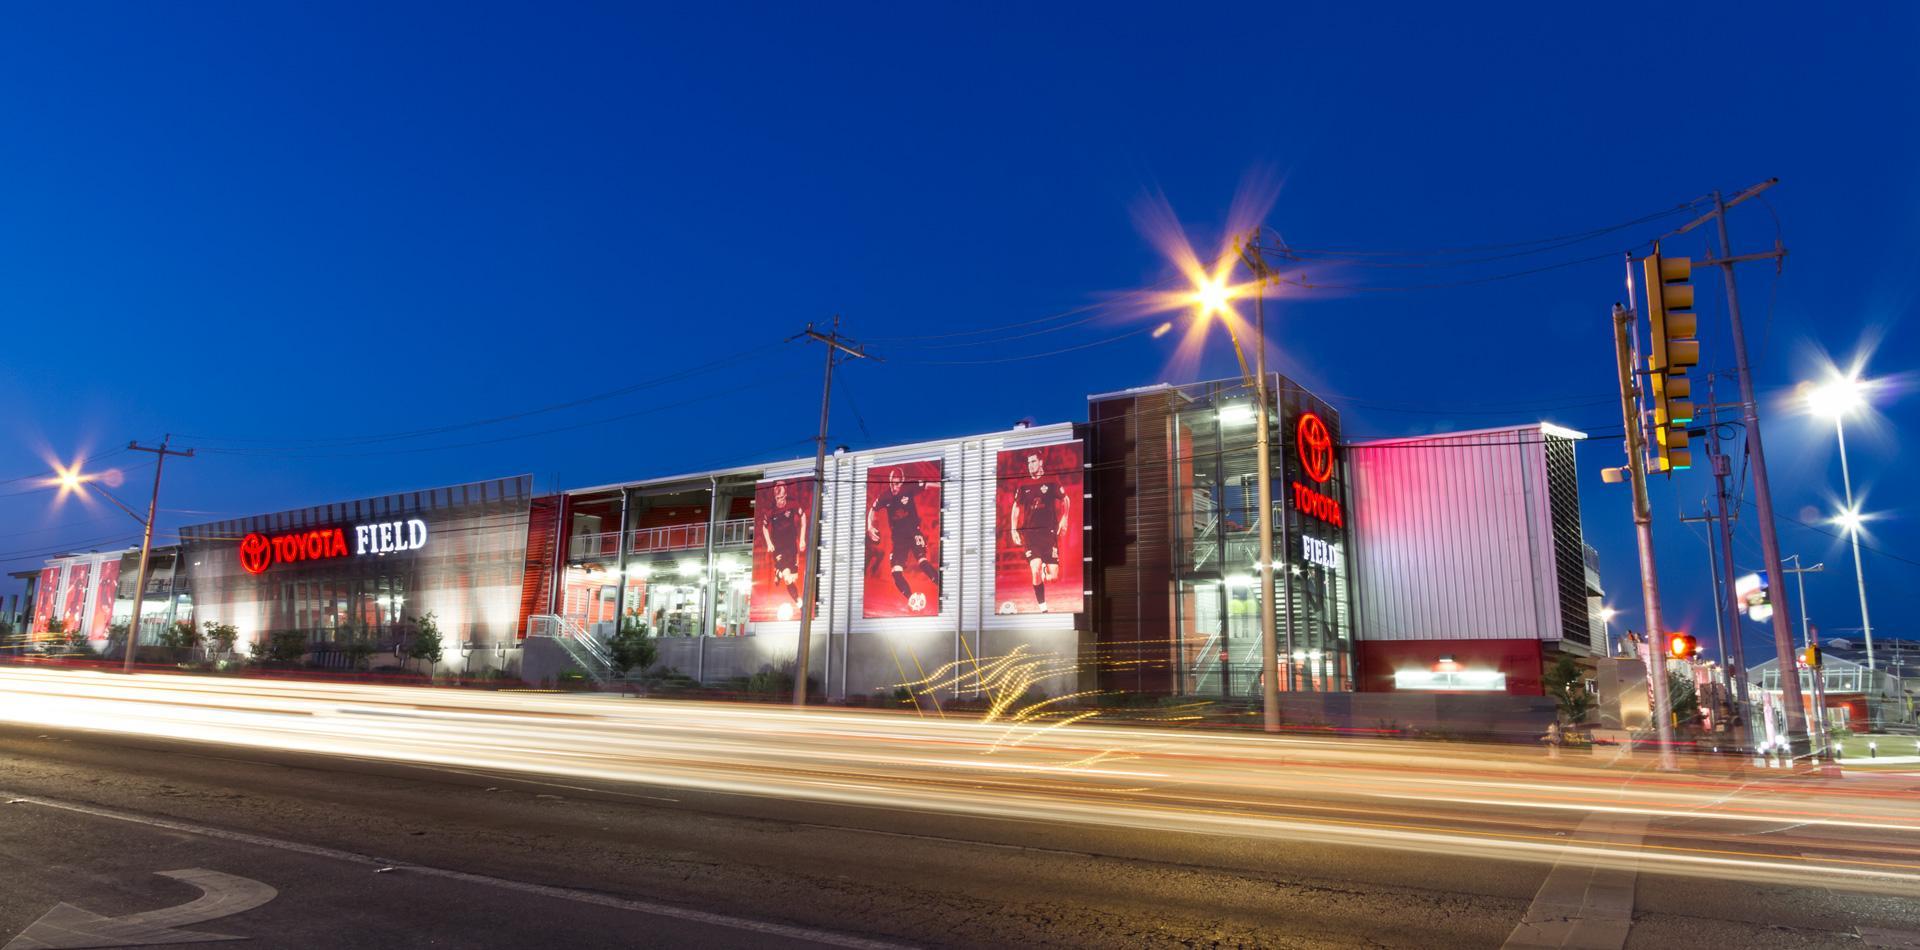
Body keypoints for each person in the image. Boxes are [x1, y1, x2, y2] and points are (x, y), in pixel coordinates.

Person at [867, 467, 939, 611]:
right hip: (898, 539)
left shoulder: (909, 488)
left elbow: (927, 485)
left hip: (913, 532)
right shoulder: (885, 496)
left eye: (897, 483)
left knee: (922, 562)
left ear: (903, 481)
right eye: (892, 483)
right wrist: (869, 526)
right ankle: (912, 600)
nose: (895, 487)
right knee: (896, 572)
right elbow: (872, 509)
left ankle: (944, 586)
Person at [1008, 451, 1069, 613]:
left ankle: (1045, 572)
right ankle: (1043, 608)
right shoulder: (1023, 485)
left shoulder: (1051, 481)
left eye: (1033, 462)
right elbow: (1016, 507)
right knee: (1035, 569)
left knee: (1054, 577)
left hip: (1049, 533)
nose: (1030, 465)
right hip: (1030, 534)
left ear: (1041, 463)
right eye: (1028, 463)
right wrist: (1013, 528)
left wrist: (1065, 518)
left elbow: (1065, 499)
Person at [761, 481, 806, 612]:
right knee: (788, 579)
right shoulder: (771, 510)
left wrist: (802, 538)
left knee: (793, 577)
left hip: (792, 546)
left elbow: (803, 516)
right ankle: (798, 601)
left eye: (781, 498)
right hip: (779, 548)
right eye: (777, 498)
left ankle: (778, 572)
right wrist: (769, 543)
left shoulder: (793, 503)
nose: (779, 501)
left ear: (786, 495)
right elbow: (763, 527)